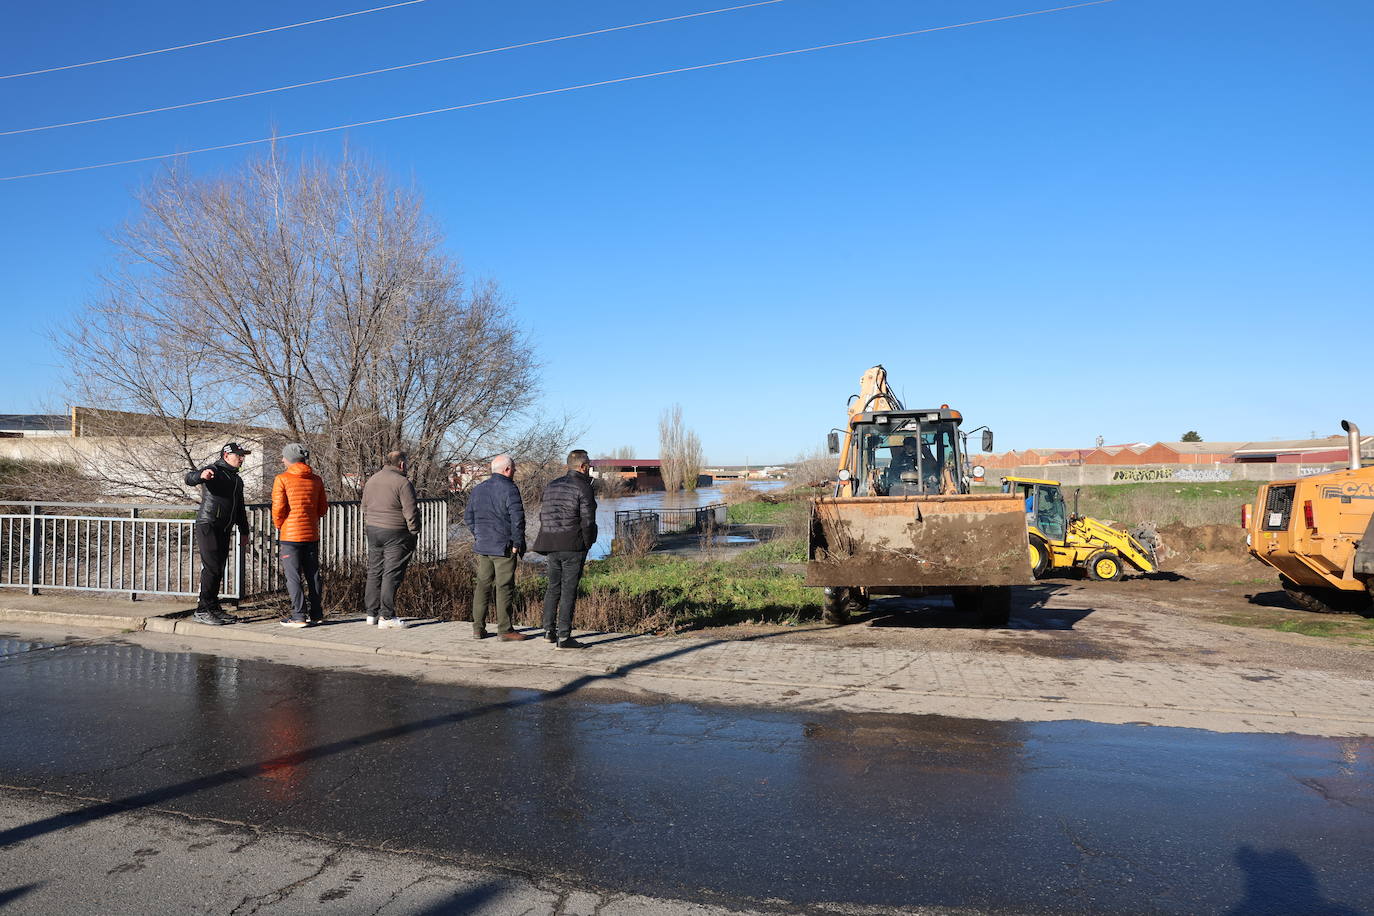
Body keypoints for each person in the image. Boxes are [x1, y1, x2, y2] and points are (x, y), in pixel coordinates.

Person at [532, 449, 598, 650]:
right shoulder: (584, 487)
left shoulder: (552, 485)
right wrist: (587, 543)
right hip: (573, 544)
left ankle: (548, 631)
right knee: (569, 590)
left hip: (551, 543)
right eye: (589, 466)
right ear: (583, 467)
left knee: (553, 587)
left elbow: (544, 516)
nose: (589, 470)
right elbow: (588, 521)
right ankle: (564, 637)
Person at [183, 442, 252, 626]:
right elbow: (189, 478)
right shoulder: (214, 470)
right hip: (209, 524)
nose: (241, 458)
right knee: (212, 567)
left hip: (224, 527)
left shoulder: (237, 480)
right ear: (226, 456)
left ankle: (212, 607)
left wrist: (244, 530)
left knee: (219, 568)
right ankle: (202, 610)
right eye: (238, 455)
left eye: (242, 455)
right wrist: (201, 475)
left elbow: (239, 508)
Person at [463, 454, 527, 641]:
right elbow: (518, 519)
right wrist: (517, 543)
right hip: (504, 547)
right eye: (513, 468)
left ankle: (477, 629)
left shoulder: (478, 489)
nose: (514, 471)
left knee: (482, 586)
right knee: (504, 587)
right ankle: (505, 630)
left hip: (483, 546)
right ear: (507, 470)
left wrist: (479, 535)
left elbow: (469, 518)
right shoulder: (510, 489)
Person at [360, 450, 421, 629]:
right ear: (401, 464)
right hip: (396, 532)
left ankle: (371, 614)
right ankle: (386, 616)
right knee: (391, 573)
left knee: (374, 571)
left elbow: (364, 506)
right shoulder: (402, 483)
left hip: (373, 530)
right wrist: (414, 531)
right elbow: (410, 512)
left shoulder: (372, 480)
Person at [271, 443, 329, 628]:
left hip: (291, 535)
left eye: (283, 457)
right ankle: (316, 613)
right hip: (311, 533)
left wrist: (280, 525)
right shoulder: (316, 480)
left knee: (293, 576)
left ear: (290, 460)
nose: (282, 460)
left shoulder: (282, 479)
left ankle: (298, 616)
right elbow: (323, 509)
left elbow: (278, 508)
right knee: (313, 575)